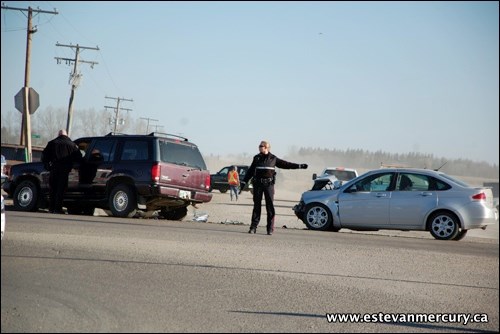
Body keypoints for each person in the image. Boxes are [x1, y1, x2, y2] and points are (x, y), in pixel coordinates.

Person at [240, 140, 308, 235]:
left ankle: (270, 229)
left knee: (270, 206)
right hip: (258, 185)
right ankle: (253, 227)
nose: (259, 147)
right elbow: (251, 171)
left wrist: (299, 166)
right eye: (259, 146)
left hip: (269, 185)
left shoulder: (273, 158)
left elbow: (286, 165)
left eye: (261, 146)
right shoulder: (256, 158)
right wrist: (243, 182)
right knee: (257, 206)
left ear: (266, 147)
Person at [42, 129, 81, 214]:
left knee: (52, 189)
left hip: (54, 169)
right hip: (65, 170)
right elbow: (79, 157)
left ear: (58, 134)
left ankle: (51, 208)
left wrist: (47, 166)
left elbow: (44, 156)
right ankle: (57, 209)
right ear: (66, 135)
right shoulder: (72, 145)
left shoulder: (51, 143)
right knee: (61, 190)